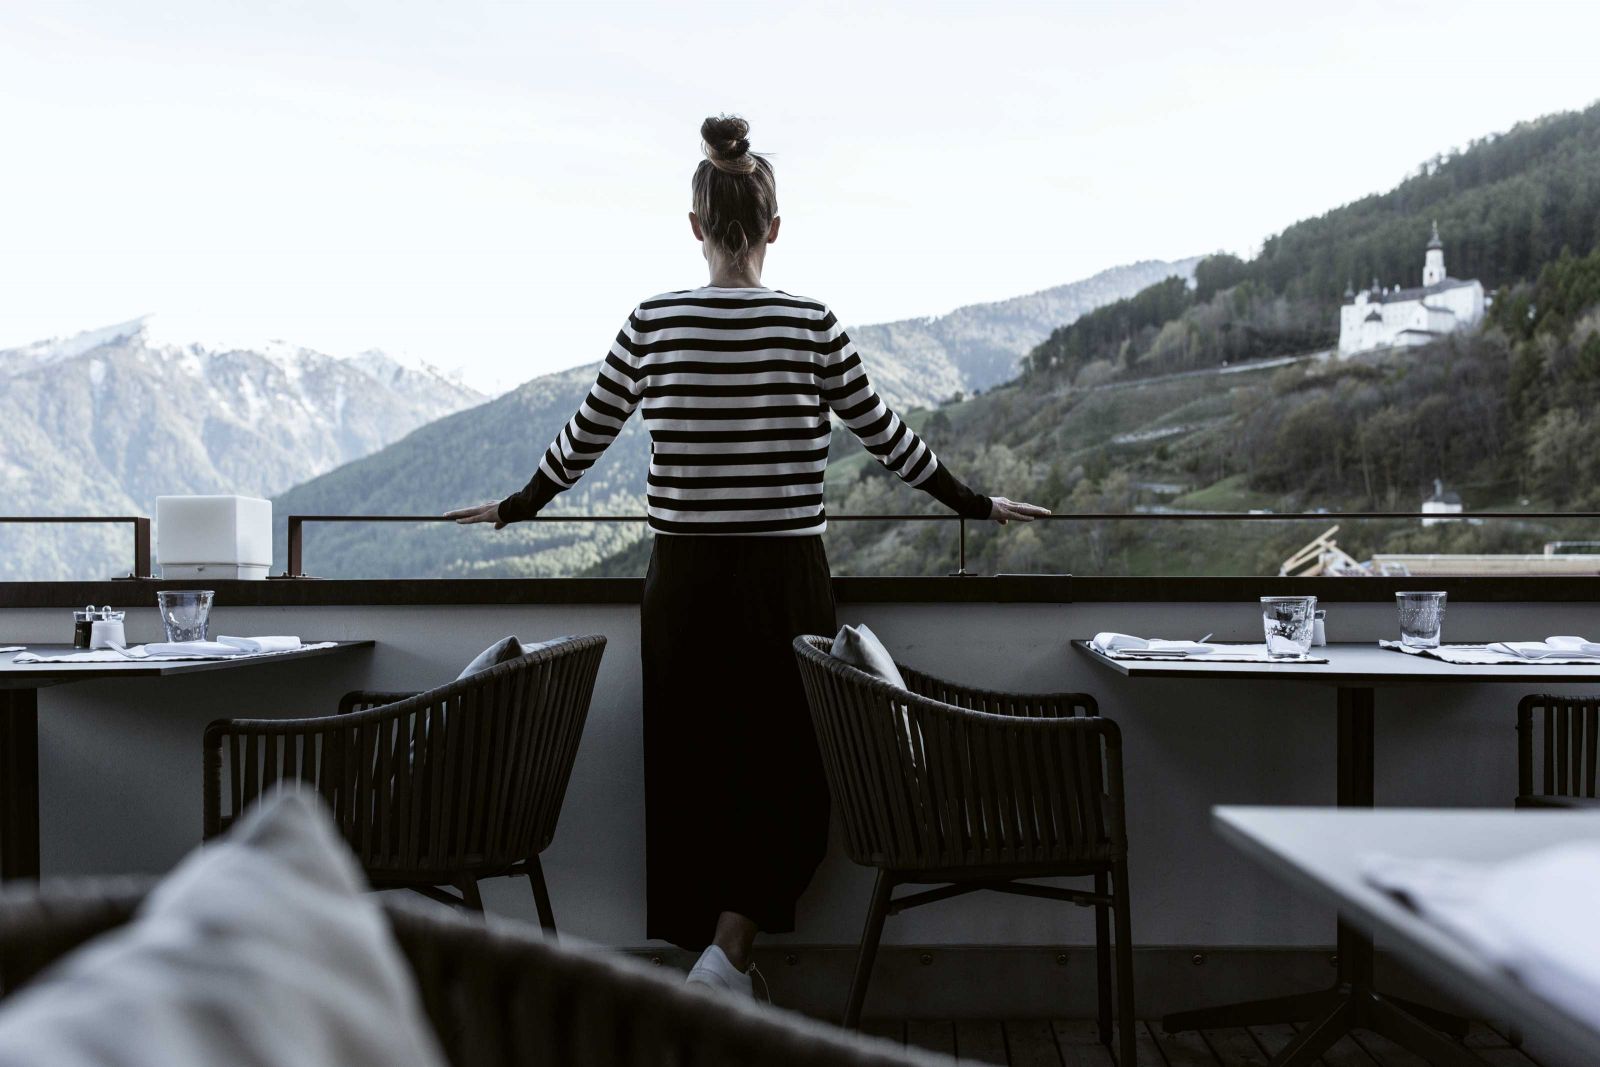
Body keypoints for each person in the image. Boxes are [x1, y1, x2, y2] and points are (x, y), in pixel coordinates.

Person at [448, 114, 1048, 999]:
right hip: (784, 579)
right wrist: (975, 502)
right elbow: (889, 439)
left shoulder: (651, 322)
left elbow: (585, 439)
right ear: (774, 227)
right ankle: (729, 953)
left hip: (684, 581)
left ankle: (718, 963)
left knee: (695, 769)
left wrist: (515, 507)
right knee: (793, 772)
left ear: (696, 228)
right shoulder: (811, 324)